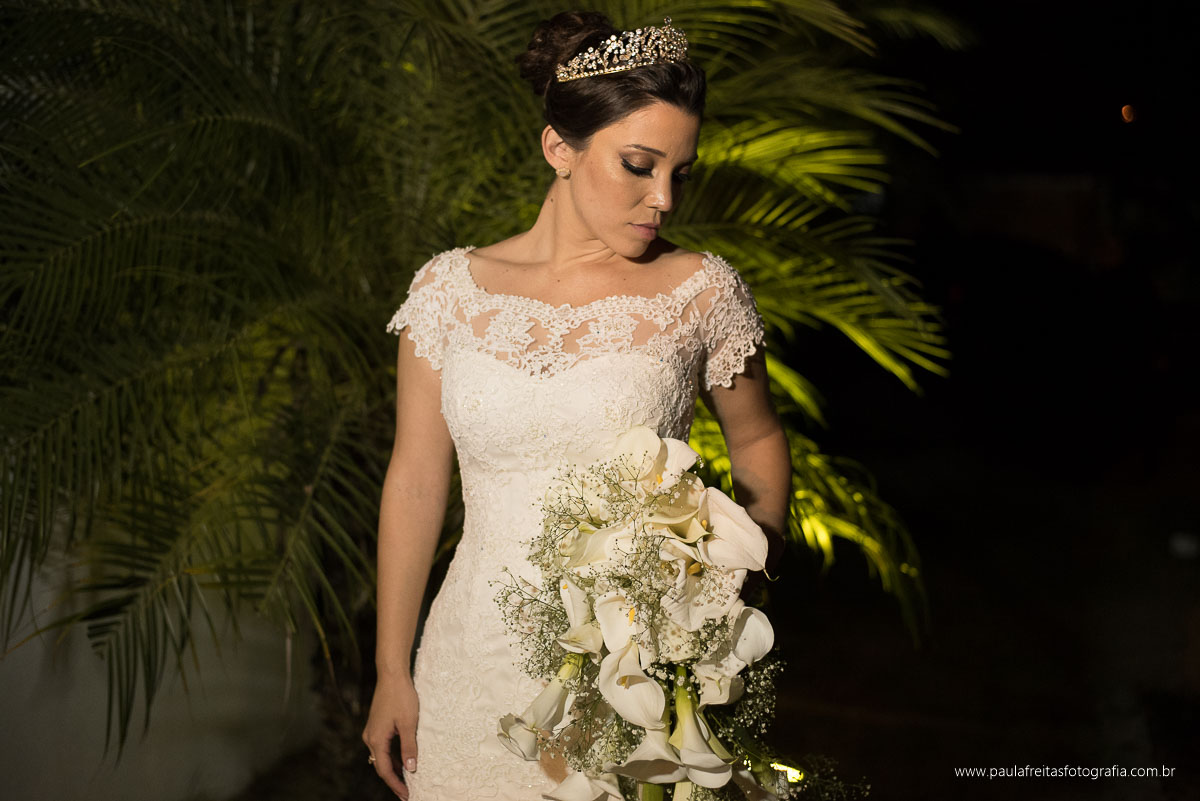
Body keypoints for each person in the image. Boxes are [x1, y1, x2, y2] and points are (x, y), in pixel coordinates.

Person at [362, 10, 791, 800]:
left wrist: (736, 576)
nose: (664, 198)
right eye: (639, 165)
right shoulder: (447, 292)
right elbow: (416, 480)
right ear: (559, 147)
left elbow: (758, 436)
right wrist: (392, 669)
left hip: (630, 681)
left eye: (681, 172)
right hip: (466, 669)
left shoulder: (701, 291)